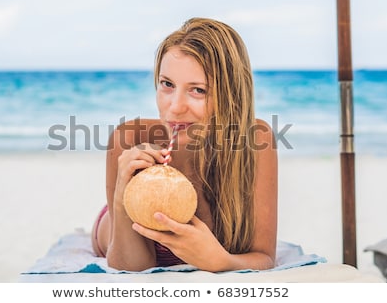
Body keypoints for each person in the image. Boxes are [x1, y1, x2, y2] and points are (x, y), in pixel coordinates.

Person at [91, 17, 277, 272]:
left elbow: (264, 257)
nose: (175, 107)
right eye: (167, 84)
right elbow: (132, 268)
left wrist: (221, 261)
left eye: (198, 90)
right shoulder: (130, 139)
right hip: (109, 229)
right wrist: (123, 194)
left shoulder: (256, 140)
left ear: (231, 95)